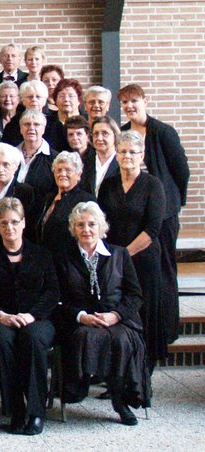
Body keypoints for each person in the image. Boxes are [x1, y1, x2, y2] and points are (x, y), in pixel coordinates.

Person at [54, 201, 151, 425]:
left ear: (101, 227)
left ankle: (120, 401)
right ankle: (78, 386)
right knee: (85, 336)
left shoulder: (119, 254)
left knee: (121, 340)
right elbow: (58, 299)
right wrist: (82, 316)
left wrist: (115, 315)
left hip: (119, 320)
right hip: (81, 321)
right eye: (80, 225)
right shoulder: (63, 258)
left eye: (91, 224)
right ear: (73, 228)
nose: (86, 229)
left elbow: (135, 295)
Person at [0, 198, 58, 436]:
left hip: (36, 319)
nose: (10, 227)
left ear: (24, 223)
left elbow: (52, 292)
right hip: (0, 318)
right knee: (1, 339)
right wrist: (0, 314)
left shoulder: (41, 254)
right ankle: (15, 409)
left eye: (15, 222)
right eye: (4, 223)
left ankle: (36, 412)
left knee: (33, 339)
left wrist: (32, 315)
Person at [98, 131, 171, 373]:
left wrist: (124, 255)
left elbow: (153, 229)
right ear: (116, 154)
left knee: (143, 314)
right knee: (118, 313)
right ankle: (118, 375)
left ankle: (143, 374)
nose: (127, 156)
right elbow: (102, 223)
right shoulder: (108, 185)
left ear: (142, 155)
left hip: (144, 261)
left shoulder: (153, 185)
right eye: (122, 151)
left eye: (132, 152)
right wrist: (112, 257)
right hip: (115, 262)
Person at [119, 84, 188, 333]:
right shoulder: (123, 133)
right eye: (125, 102)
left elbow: (181, 171)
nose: (129, 106)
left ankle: (168, 327)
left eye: (134, 101)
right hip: (136, 212)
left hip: (163, 212)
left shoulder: (162, 132)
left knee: (165, 269)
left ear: (144, 101)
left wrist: (173, 203)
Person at [32, 151, 95, 257]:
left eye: (68, 170)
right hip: (45, 259)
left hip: (70, 260)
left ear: (78, 174)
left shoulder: (85, 200)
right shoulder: (48, 198)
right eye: (59, 170)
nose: (62, 174)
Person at [0, 143, 35, 247]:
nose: (0, 169)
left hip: (12, 247)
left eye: (6, 164)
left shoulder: (25, 192)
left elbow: (29, 227)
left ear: (15, 167)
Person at [16, 109, 58, 202]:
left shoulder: (54, 159)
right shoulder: (10, 154)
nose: (31, 128)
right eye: (27, 124)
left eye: (36, 124)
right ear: (21, 129)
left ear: (43, 129)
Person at [79, 116, 120, 196]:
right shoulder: (84, 163)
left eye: (105, 133)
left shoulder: (122, 164)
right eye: (96, 134)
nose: (99, 138)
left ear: (115, 136)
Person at [45, 78, 83, 151]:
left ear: (79, 100)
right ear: (55, 100)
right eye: (61, 96)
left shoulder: (87, 121)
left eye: (71, 96)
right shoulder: (47, 123)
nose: (66, 99)